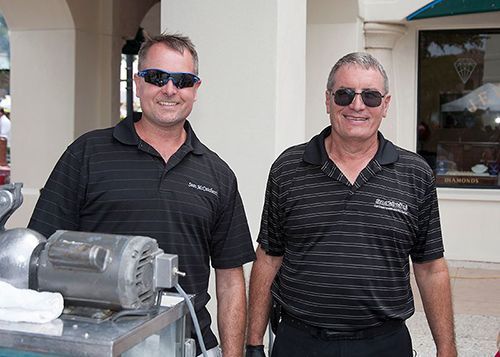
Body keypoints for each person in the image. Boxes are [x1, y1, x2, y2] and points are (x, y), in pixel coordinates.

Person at [28, 33, 256, 357]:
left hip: (190, 345)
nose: (169, 89)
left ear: (195, 90)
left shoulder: (218, 175)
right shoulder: (87, 153)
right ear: (138, 83)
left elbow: (231, 280)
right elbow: (41, 249)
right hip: (97, 344)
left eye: (183, 80)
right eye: (157, 77)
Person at [246, 52, 457, 357]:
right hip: (299, 342)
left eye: (370, 97)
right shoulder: (288, 168)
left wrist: (446, 348)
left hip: (384, 345)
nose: (357, 105)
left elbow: (430, 268)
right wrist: (253, 343)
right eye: (344, 94)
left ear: (385, 104)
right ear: (328, 100)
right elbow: (268, 258)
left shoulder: (415, 173)